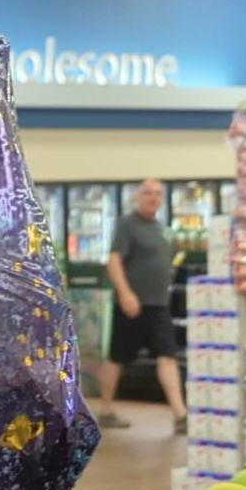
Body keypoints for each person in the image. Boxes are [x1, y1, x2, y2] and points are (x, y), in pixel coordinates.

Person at [95, 179, 186, 432]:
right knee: (117, 358)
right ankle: (106, 409)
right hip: (131, 305)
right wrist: (125, 294)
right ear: (138, 196)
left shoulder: (159, 228)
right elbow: (114, 261)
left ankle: (180, 414)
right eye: (148, 193)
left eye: (158, 194)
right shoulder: (128, 225)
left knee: (167, 355)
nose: (153, 198)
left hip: (158, 305)